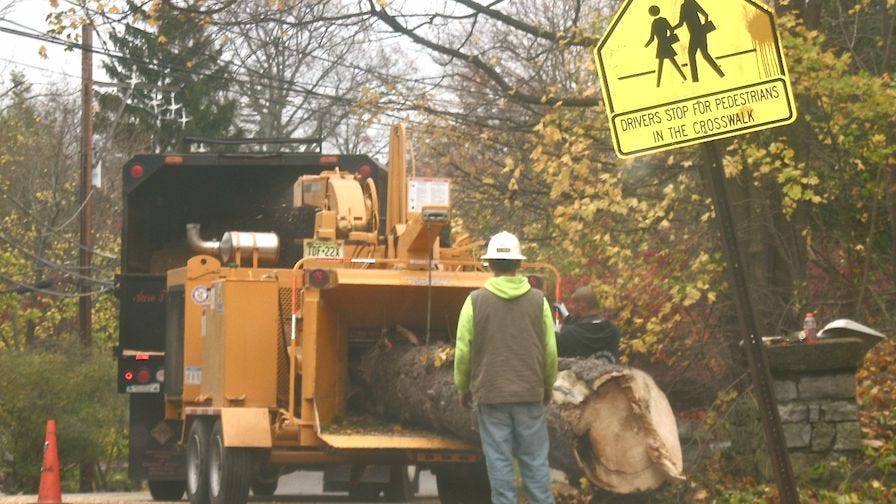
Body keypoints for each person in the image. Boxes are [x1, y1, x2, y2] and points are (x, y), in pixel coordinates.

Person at [454, 231, 558, 504]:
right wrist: (547, 385)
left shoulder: (474, 301)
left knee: (499, 463)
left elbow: (464, 351)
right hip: (529, 392)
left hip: (491, 394)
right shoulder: (539, 301)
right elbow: (550, 349)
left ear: (489, 265)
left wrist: (463, 387)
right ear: (519, 264)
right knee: (535, 463)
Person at [556, 285, 620, 362]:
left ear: (582, 307)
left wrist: (556, 335)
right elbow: (589, 325)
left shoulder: (569, 334)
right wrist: (566, 316)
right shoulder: (613, 331)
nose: (571, 307)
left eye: (573, 304)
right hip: (609, 373)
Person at [673, 0, 724, 82]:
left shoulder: (684, 6)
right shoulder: (691, 3)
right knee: (704, 54)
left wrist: (672, 29)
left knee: (692, 55)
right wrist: (704, 29)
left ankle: (695, 79)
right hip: (700, 33)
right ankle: (720, 74)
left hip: (695, 35)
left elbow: (680, 23)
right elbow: (705, 15)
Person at [645, 5, 687, 87]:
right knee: (673, 62)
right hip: (666, 43)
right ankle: (684, 78)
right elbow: (671, 29)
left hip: (661, 45)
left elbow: (652, 38)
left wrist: (645, 46)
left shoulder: (654, 23)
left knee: (661, 65)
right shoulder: (663, 20)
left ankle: (658, 83)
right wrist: (669, 38)